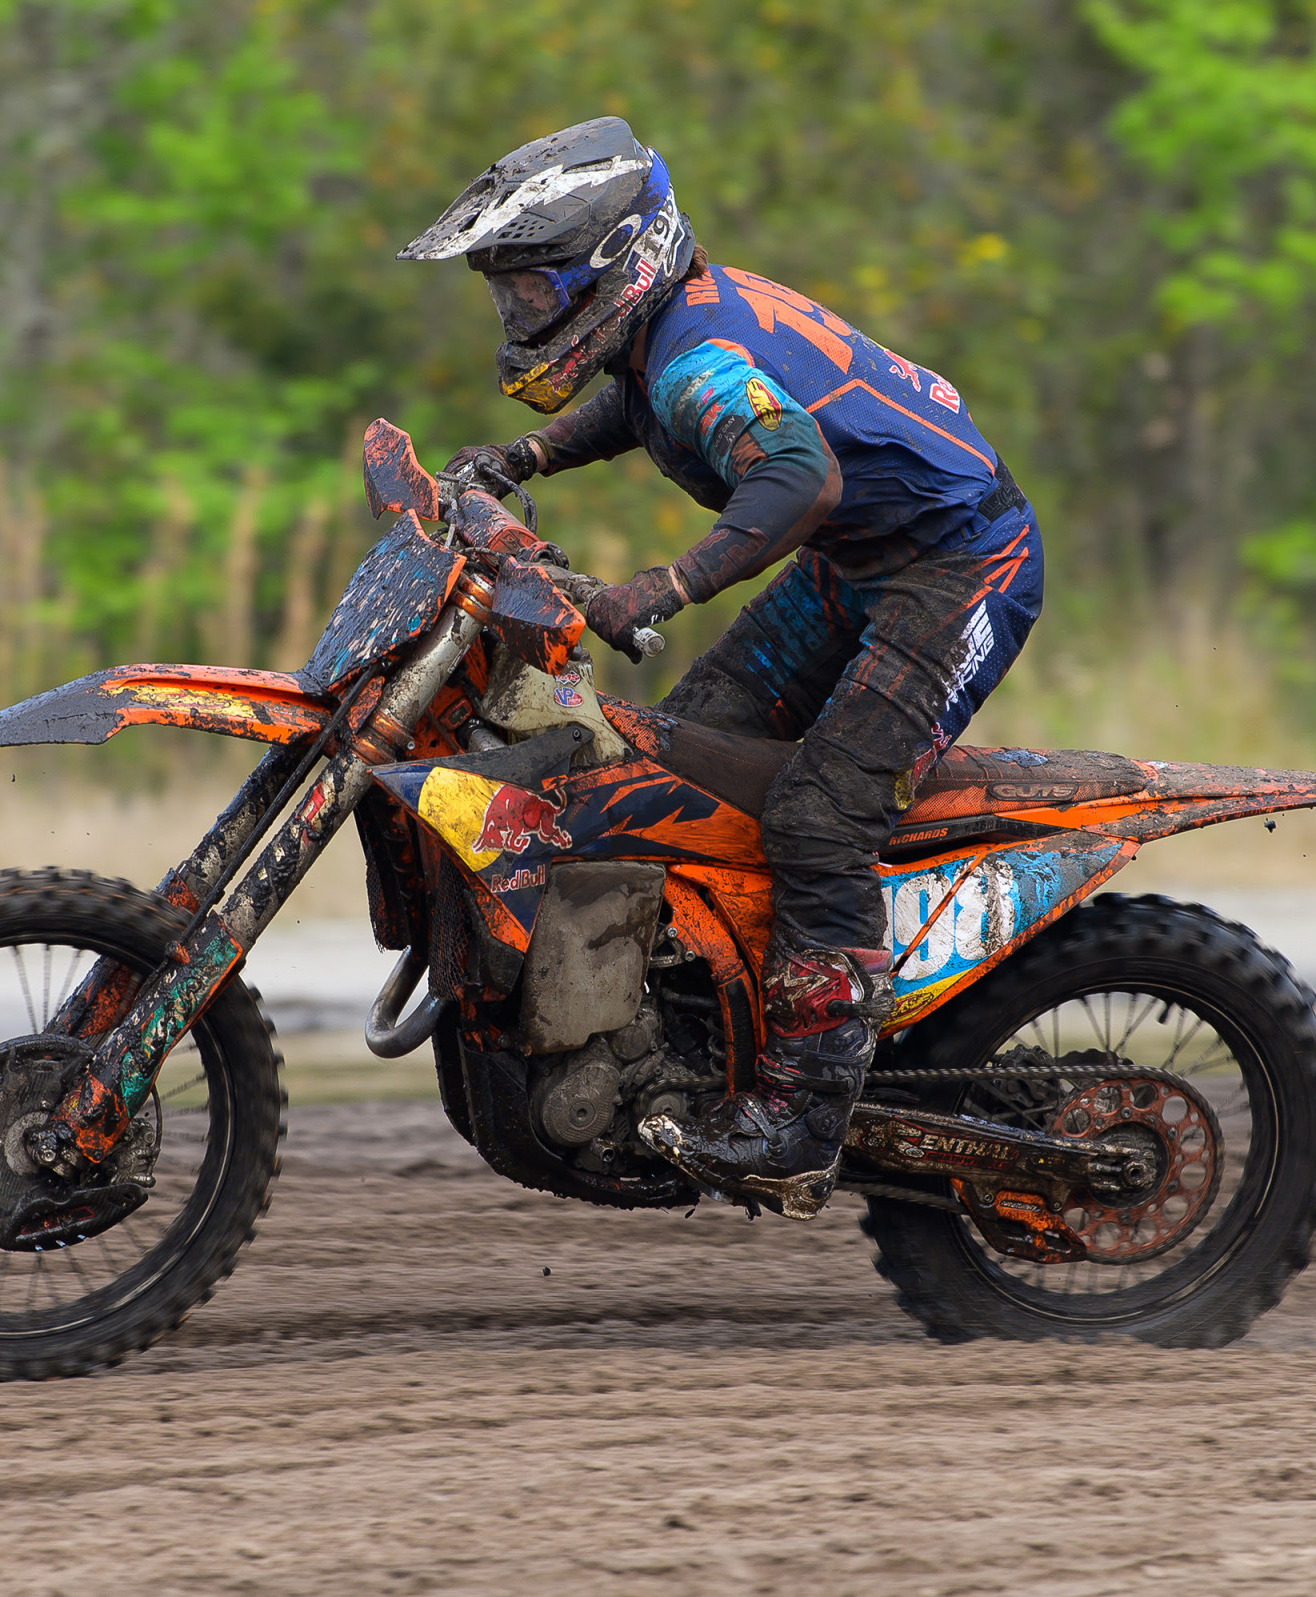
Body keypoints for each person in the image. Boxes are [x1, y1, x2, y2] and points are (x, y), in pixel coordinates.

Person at [401, 118, 1042, 1219]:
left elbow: (796, 480)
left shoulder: (697, 353)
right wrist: (521, 458)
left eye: (533, 294)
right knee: (674, 769)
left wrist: (662, 587)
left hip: (961, 569)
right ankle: (704, 1039)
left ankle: (801, 1119)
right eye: (508, 299)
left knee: (817, 815)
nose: (519, 319)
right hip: (865, 567)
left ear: (615, 266)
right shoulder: (670, 333)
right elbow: (640, 407)